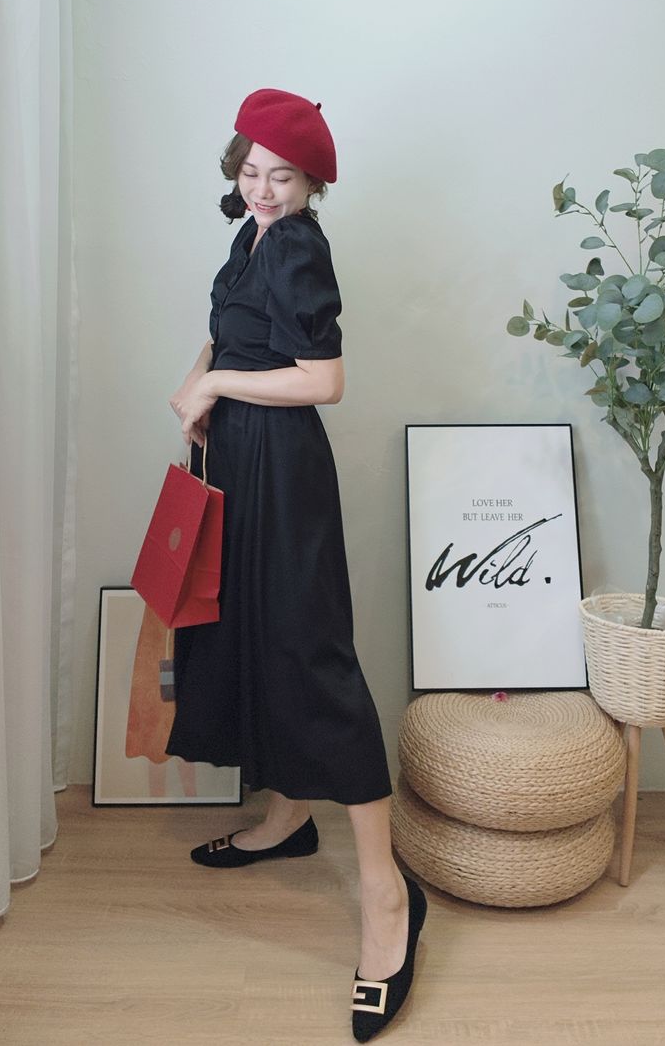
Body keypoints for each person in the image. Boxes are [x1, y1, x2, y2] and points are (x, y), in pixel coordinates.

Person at [167, 88, 426, 1041]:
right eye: (251, 171)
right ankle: (287, 819)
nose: (264, 188)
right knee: (257, 639)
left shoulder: (300, 245)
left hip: (282, 468)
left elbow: (324, 378)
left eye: (283, 175)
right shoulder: (253, 235)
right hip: (238, 457)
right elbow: (234, 330)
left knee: (312, 659)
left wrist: (214, 381)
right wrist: (196, 380)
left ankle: (386, 895)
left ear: (313, 182)